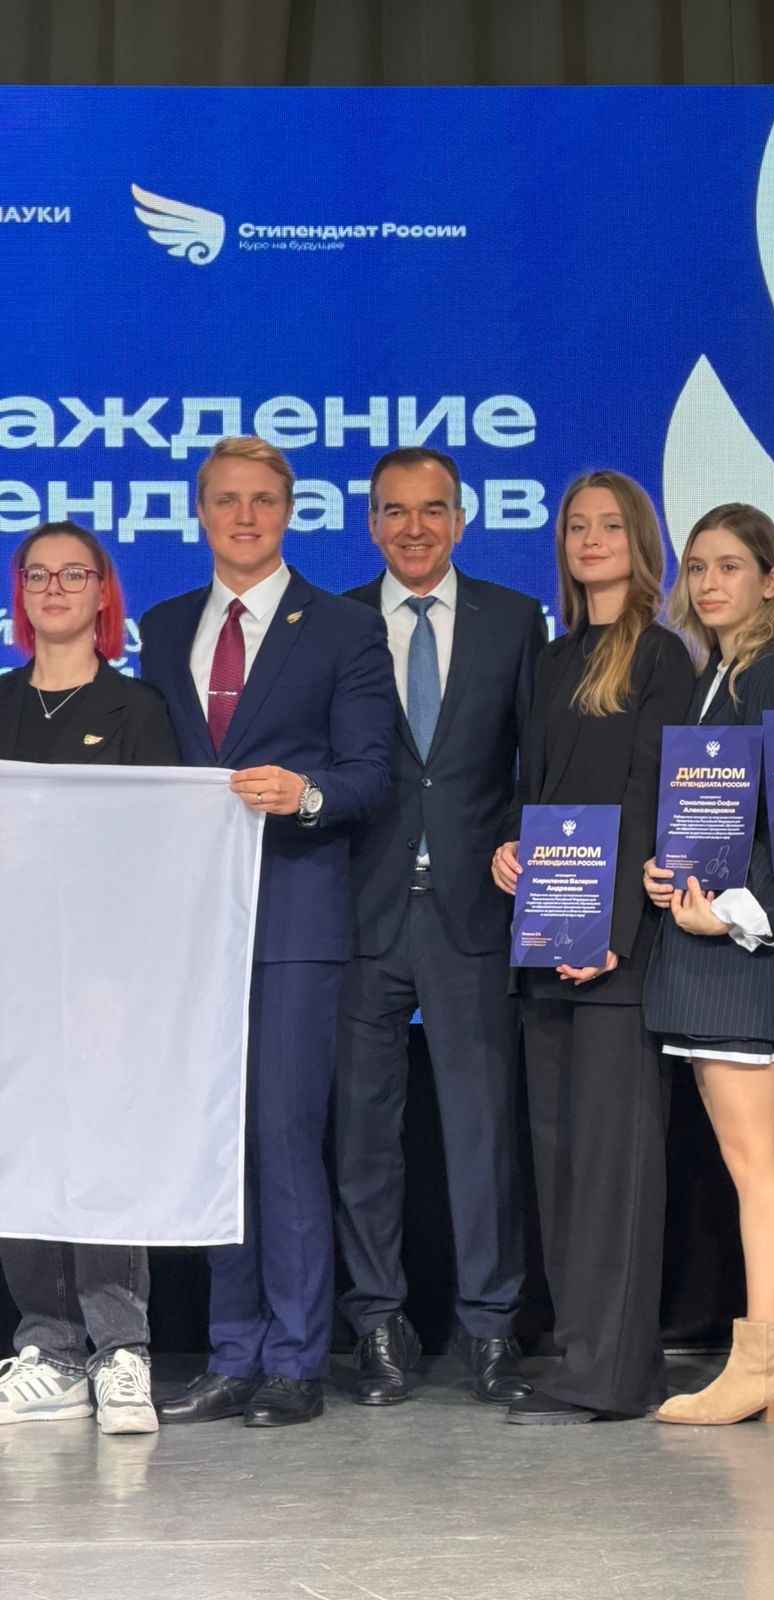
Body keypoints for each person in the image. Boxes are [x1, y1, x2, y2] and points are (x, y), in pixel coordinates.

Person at [142, 437, 396, 1428]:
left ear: (290, 513)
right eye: (226, 500)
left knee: (285, 1138)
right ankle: (233, 1353)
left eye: (262, 501)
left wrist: (306, 793)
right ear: (200, 512)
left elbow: (370, 775)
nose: (244, 517)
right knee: (218, 1142)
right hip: (195, 926)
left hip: (295, 916)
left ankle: (296, 1359)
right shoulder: (165, 627)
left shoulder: (343, 627)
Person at [334, 447, 546, 1406]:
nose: (413, 528)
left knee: (481, 1134)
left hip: (475, 912)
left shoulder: (514, 619)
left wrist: (518, 838)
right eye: (395, 511)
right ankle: (378, 1323)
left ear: (461, 520)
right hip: (359, 911)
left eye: (432, 510)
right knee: (363, 1138)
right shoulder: (335, 621)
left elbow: (536, 762)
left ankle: (491, 1328)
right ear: (371, 523)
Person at [491, 470, 693, 1423]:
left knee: (615, 1166)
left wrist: (612, 935)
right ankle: (578, 1358)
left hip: (616, 953)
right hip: (545, 941)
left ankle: (616, 1375)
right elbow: (536, 788)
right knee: (561, 1159)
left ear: (640, 543)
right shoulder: (551, 656)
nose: (591, 539)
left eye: (610, 525)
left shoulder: (661, 655)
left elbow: (650, 801)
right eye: (577, 526)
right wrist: (511, 848)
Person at [0, 521, 177, 1435]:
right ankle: (49, 1347)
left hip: (105, 973)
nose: (55, 589)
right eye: (39, 575)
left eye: (74, 575)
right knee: (22, 1151)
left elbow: (159, 852)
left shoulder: (137, 708)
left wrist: (126, 977)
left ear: (103, 593)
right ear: (20, 594)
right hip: (11, 971)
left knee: (103, 1147)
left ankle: (121, 1349)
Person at [641, 504, 774, 1426]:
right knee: (745, 1160)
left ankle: (767, 1362)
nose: (710, 583)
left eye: (732, 567)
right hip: (710, 954)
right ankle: (766, 1363)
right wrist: (666, 871)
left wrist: (738, 912)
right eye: (699, 567)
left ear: (771, 580)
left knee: (756, 1163)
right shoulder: (720, 674)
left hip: (747, 958)